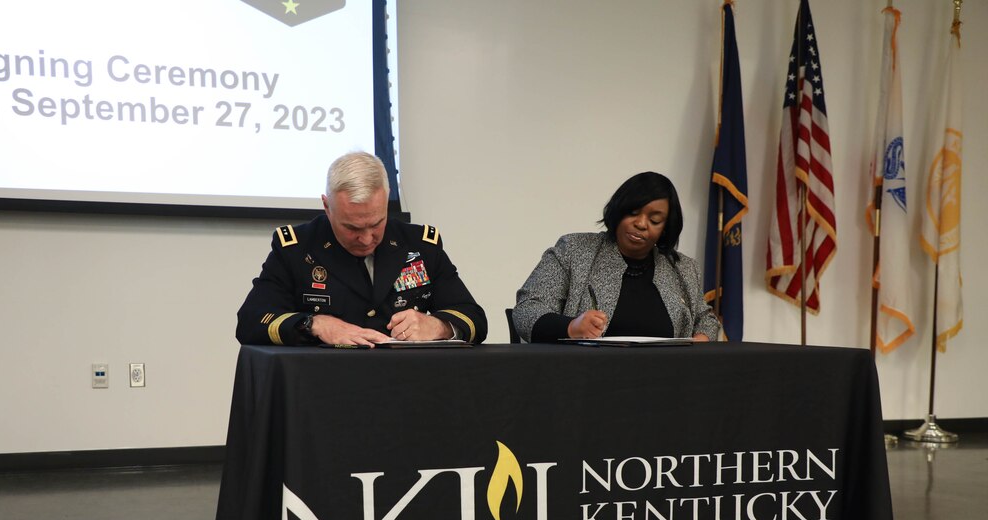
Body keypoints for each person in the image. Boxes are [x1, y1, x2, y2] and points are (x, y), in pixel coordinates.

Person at [236, 152, 488, 347]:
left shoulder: (420, 244)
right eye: (352, 227)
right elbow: (250, 322)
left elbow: (475, 318)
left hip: (410, 389)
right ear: (327, 206)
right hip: (325, 391)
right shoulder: (297, 248)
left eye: (377, 223)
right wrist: (313, 324)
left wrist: (438, 326)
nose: (367, 238)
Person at [512, 171, 720, 343]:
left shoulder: (682, 268)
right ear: (618, 210)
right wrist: (571, 327)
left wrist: (700, 341)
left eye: (654, 220)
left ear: (665, 228)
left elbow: (706, 319)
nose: (641, 224)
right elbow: (526, 309)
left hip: (664, 383)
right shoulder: (573, 251)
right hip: (584, 381)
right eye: (633, 213)